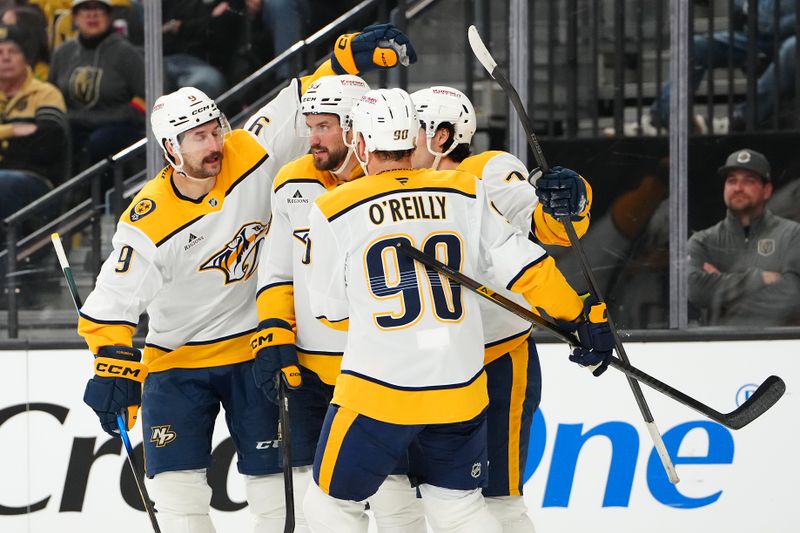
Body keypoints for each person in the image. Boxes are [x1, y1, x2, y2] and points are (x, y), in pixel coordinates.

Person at [76, 25, 416, 533]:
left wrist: (346, 58)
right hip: (176, 359)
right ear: (171, 148)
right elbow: (113, 300)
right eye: (198, 138)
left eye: (215, 129)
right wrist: (112, 367)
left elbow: (301, 97)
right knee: (177, 499)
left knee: (278, 497)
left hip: (252, 352)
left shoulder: (249, 150)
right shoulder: (148, 218)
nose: (214, 143)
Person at [299, 88, 614, 532]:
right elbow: (527, 267)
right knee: (459, 507)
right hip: (460, 384)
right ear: (412, 143)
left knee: (331, 505)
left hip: (380, 389)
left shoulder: (333, 207)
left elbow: (329, 312)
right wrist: (579, 320)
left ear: (363, 144)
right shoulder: (464, 191)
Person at [408, 85, 593, 532]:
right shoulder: (396, 188)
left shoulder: (486, 170)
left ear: (442, 135)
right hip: (430, 367)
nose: (398, 141)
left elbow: (550, 225)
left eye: (412, 131)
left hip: (498, 362)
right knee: (427, 503)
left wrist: (570, 196)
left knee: (498, 499)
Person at [252, 74, 426, 532]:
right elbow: (277, 271)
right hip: (310, 373)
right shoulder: (291, 182)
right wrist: (274, 335)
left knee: (396, 499)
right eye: (309, 126)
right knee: (319, 504)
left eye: (324, 126)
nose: (312, 139)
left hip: (381, 370)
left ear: (356, 129)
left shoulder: (402, 187)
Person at [688, 148, 800, 325]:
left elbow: (794, 297)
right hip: (718, 349)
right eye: (732, 181)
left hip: (777, 348)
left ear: (767, 190)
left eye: (749, 181)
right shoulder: (704, 241)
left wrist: (721, 299)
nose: (738, 188)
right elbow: (694, 290)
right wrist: (758, 279)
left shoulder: (792, 234)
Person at [651, 0, 796, 131]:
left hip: (790, 39)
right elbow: (741, 13)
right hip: (756, 40)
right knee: (694, 47)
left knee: (792, 48)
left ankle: (742, 118)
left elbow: (770, 22)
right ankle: (667, 115)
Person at [48, 0, 145, 170]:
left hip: (117, 126)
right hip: (73, 124)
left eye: (99, 9)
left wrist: (105, 118)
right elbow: (50, 95)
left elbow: (146, 99)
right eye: (85, 9)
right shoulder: (63, 52)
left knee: (99, 142)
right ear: (75, 18)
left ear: (109, 16)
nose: (92, 14)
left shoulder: (127, 53)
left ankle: (98, 195)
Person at [0, 23, 68, 225]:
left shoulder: (46, 93)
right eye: (0, 52)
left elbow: (45, 145)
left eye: (13, 51)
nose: (5, 57)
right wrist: (12, 131)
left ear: (26, 58)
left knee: (4, 182)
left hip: (36, 183)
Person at [161, 0, 229, 98]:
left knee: (209, 80)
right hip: (164, 57)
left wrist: (180, 26)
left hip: (206, 62)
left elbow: (217, 29)